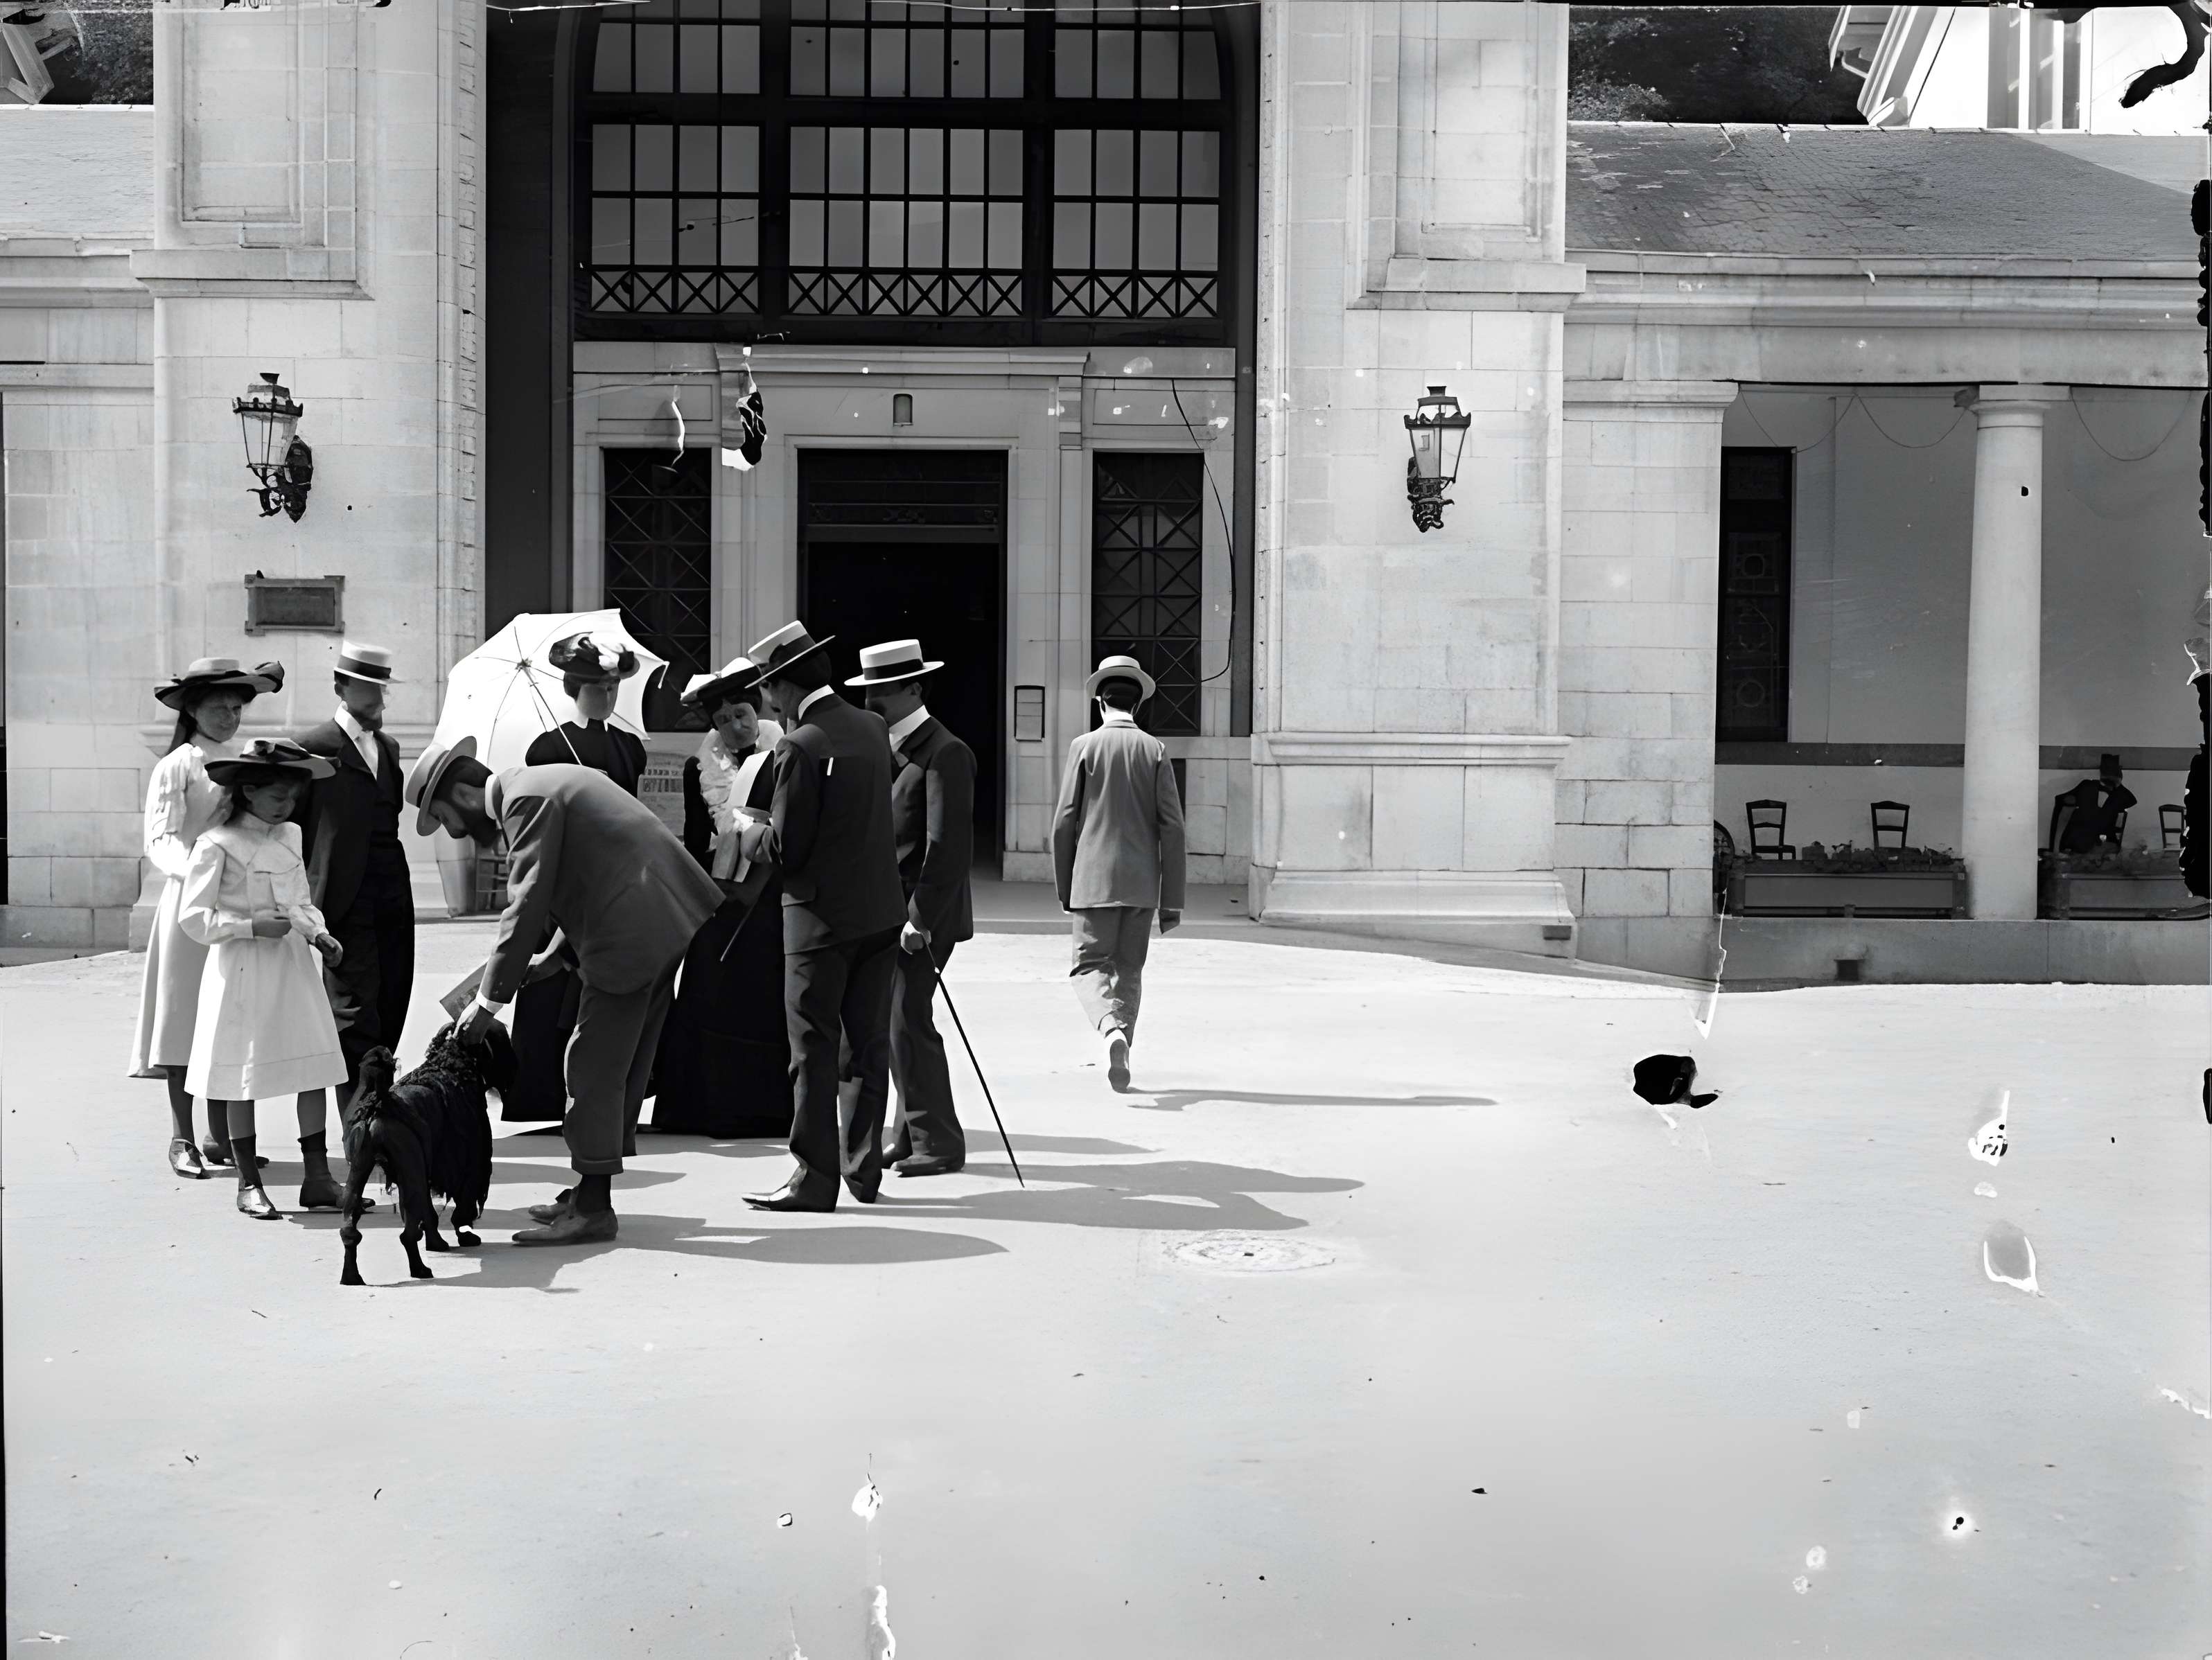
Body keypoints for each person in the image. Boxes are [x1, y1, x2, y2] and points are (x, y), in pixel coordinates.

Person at [409, 736, 722, 1246]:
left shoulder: (525, 801)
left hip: (632, 926)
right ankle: (588, 1188)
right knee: (620, 1062)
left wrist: (489, 1003)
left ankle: (595, 1207)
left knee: (592, 1064)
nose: (456, 832)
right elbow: (582, 875)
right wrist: (552, 958)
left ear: (464, 795)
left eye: (445, 819)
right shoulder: (538, 783)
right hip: (655, 915)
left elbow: (527, 900)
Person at [731, 621, 907, 1213]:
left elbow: (787, 849)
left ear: (783, 687)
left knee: (812, 1048)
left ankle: (813, 1178)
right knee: (867, 1046)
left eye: (767, 688)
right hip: (879, 912)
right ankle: (863, 1172)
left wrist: (748, 832)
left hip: (817, 920)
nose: (766, 699)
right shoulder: (873, 727)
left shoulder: (799, 745)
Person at [178, 739, 352, 1220]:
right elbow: (193, 919)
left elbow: (298, 899)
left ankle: (317, 1176)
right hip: (242, 971)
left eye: (293, 798)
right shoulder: (217, 845)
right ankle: (248, 1182)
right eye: (278, 797)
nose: (287, 806)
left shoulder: (289, 836)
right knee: (243, 1074)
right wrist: (249, 928)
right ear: (249, 792)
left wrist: (318, 933)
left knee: (312, 1067)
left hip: (291, 967)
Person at [131, 657, 283, 1177]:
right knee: (182, 1017)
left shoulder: (247, 758)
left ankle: (223, 1136)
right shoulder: (179, 764)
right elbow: (161, 838)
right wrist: (199, 872)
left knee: (229, 1015)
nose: (229, 714)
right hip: (189, 904)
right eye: (218, 705)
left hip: (237, 902)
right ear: (193, 708)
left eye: (237, 706)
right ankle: (182, 1135)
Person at [505, 632, 650, 1125]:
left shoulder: (631, 747)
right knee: (549, 989)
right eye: (595, 689)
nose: (606, 698)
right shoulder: (548, 746)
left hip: (614, 881)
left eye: (612, 689)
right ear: (573, 689)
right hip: (566, 879)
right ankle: (539, 1095)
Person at [846, 638, 975, 1178]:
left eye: (882, 689)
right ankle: (910, 1133)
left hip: (922, 919)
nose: (872, 699)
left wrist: (919, 919)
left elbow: (946, 848)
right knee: (894, 1023)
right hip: (886, 912)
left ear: (913, 689)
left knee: (906, 1021)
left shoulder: (944, 751)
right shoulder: (885, 745)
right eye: (869, 688)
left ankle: (938, 1141)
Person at [650, 657, 793, 1138]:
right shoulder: (699, 768)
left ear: (758, 712)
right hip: (722, 895)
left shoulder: (787, 754)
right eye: (723, 720)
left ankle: (771, 1111)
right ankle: (704, 1109)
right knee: (709, 989)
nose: (735, 727)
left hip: (772, 897)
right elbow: (693, 838)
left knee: (768, 998)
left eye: (742, 715)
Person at [1050, 655, 1187, 1093]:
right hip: (1143, 884)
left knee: (1087, 965)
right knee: (1129, 968)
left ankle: (1109, 1028)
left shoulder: (1084, 746)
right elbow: (1174, 828)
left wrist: (1063, 885)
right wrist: (1173, 901)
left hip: (1093, 881)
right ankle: (1123, 1038)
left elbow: (1064, 822)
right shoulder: (1155, 749)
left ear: (1099, 702)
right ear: (1139, 705)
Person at [295, 640, 416, 1103]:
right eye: (368, 689)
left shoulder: (389, 746)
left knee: (392, 1002)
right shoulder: (312, 746)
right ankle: (360, 1129)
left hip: (392, 893)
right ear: (340, 688)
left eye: (381, 689)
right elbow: (295, 825)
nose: (379, 700)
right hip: (343, 899)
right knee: (353, 1013)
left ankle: (380, 1112)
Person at [2050, 752, 2137, 854]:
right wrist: (2056, 849)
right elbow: (2064, 807)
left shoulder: (2118, 795)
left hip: (2100, 845)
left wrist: (2117, 784)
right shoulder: (2087, 787)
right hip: (2078, 842)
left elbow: (2132, 801)